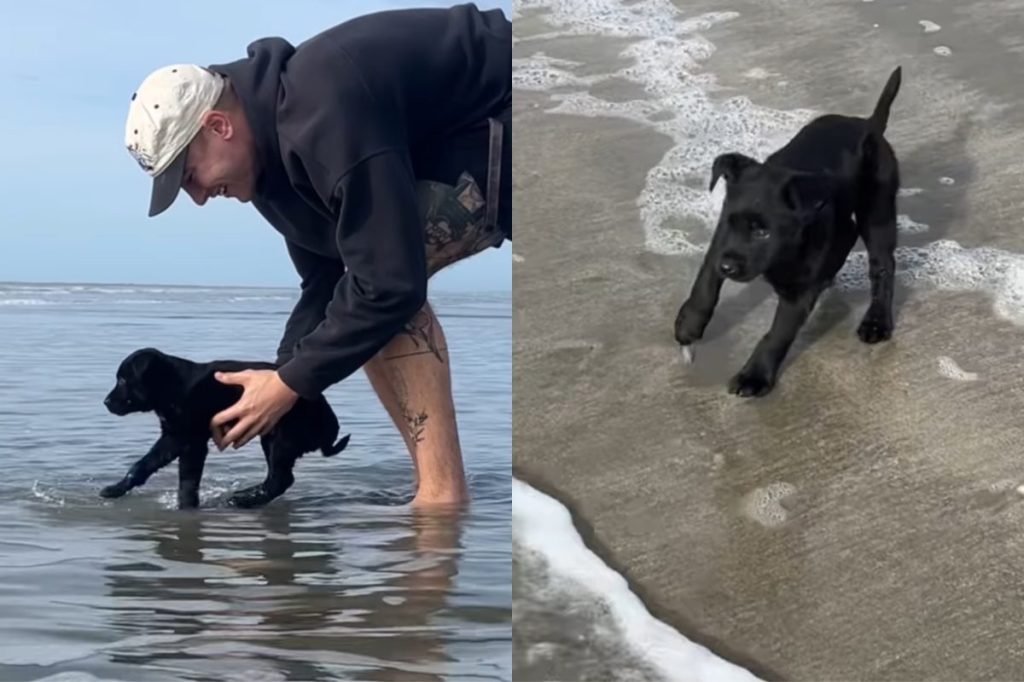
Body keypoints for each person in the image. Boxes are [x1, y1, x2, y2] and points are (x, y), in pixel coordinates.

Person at [122, 3, 512, 507]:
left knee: (378, 280)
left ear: (218, 126)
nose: (197, 196)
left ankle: (440, 499)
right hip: (469, 135)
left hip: (524, 100)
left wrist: (288, 384)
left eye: (188, 176)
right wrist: (278, 380)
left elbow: (389, 284)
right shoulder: (268, 170)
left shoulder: (320, 108)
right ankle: (433, 490)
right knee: (363, 285)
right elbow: (322, 281)